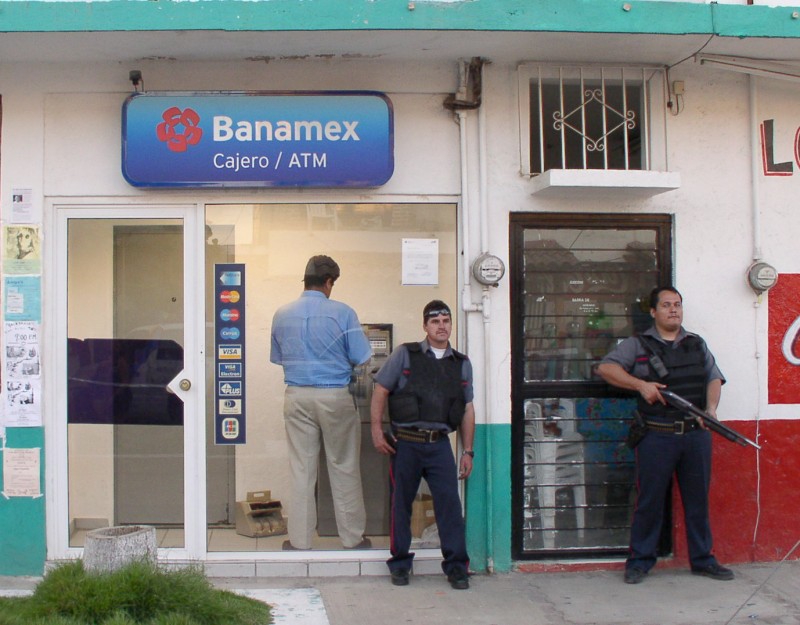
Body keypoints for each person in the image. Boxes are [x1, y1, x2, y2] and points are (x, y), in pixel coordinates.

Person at [597, 286, 734, 584]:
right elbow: (606, 368)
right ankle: (639, 562)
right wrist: (640, 385)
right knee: (649, 502)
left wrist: (710, 409)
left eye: (678, 304)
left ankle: (703, 560)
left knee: (697, 502)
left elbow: (713, 377)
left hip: (695, 435)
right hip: (657, 436)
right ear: (653, 311)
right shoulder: (637, 344)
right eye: (667, 305)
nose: (673, 309)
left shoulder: (696, 344)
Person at [370, 300, 475, 590]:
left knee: (450, 506)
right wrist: (376, 430)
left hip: (439, 445)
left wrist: (468, 451)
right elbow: (381, 389)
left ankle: (456, 567)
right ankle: (400, 564)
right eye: (435, 321)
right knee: (400, 505)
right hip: (405, 444)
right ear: (425, 326)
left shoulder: (461, 363)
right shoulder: (405, 354)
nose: (442, 326)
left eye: (446, 320)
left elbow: (467, 409)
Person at [270, 255, 373, 550]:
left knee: (301, 469)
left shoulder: (281, 313)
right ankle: (352, 538)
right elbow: (362, 356)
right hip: (334, 395)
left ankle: (300, 541)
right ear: (328, 282)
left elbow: (278, 357)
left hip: (296, 395)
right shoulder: (343, 312)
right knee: (343, 465)